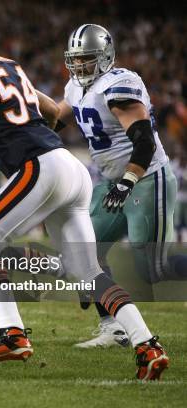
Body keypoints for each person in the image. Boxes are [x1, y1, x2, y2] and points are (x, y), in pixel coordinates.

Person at [0, 22, 168, 380]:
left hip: (39, 167)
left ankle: (12, 334)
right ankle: (147, 344)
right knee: (88, 272)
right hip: (69, 166)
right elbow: (52, 111)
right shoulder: (6, 64)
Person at [56, 24, 180, 348]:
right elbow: (55, 118)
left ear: (105, 56)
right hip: (112, 181)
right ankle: (113, 327)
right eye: (75, 59)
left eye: (86, 59)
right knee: (84, 250)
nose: (79, 66)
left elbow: (144, 144)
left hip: (145, 178)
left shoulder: (118, 85)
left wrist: (126, 184)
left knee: (154, 268)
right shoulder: (75, 87)